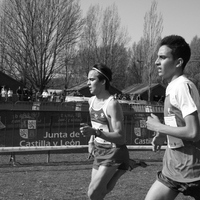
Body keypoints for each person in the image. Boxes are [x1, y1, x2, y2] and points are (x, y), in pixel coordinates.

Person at [145, 35, 200, 200]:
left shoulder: (182, 86)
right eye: (157, 57)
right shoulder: (172, 87)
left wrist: (157, 127)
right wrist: (163, 135)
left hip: (194, 171)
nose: (156, 62)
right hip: (174, 168)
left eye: (162, 57)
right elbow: (179, 122)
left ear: (178, 63)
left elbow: (193, 132)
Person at [80, 63, 130, 200]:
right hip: (99, 150)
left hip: (114, 151)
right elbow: (95, 125)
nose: (88, 83)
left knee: (92, 193)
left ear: (103, 81)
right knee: (99, 193)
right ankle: (122, 169)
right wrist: (91, 142)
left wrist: (95, 133)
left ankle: (123, 166)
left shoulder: (112, 104)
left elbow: (121, 137)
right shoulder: (91, 101)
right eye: (88, 79)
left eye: (92, 80)